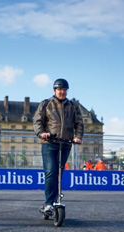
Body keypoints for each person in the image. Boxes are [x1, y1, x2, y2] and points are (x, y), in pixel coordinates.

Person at [33, 78, 84, 214]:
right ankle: (48, 203)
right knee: (51, 171)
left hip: (65, 143)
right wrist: (42, 133)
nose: (62, 92)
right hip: (49, 143)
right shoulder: (46, 104)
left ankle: (55, 200)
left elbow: (79, 123)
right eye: (59, 89)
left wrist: (78, 136)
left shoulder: (73, 106)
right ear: (54, 90)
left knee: (59, 172)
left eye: (64, 90)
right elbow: (37, 121)